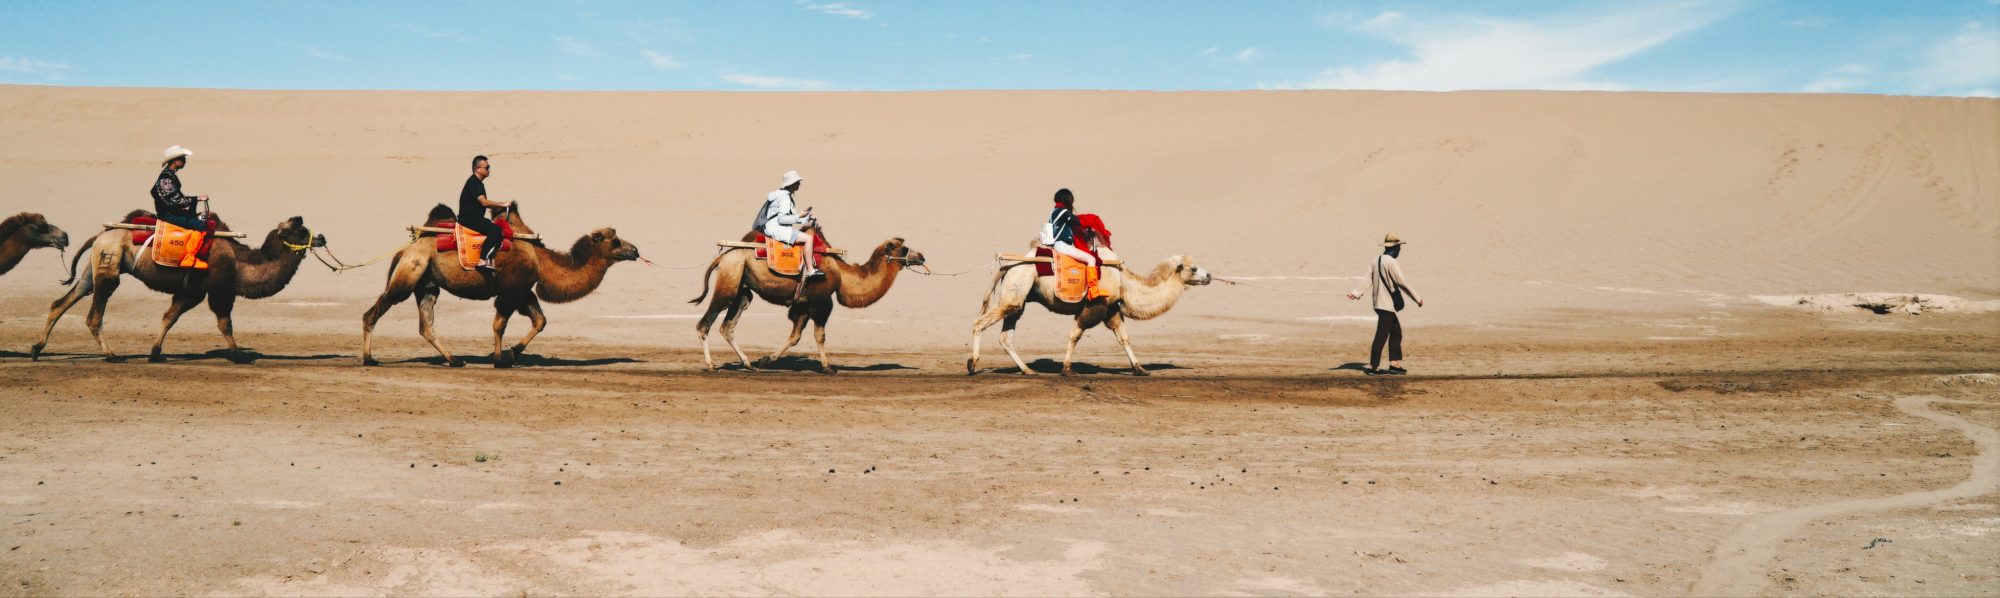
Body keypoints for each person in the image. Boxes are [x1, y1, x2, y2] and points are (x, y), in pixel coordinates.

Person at [1348, 234, 1424, 375]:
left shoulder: (1375, 260)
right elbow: (1402, 282)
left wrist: (1356, 292)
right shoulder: (1391, 262)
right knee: (1381, 335)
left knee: (1396, 332)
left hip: (1379, 304)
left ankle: (1394, 364)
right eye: (1399, 247)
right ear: (1394, 248)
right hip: (1386, 305)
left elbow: (1367, 279)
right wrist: (1417, 298)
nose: (1400, 249)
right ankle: (1374, 367)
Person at [1039, 188, 1101, 298]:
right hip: (1063, 246)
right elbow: (1080, 222)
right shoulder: (1063, 212)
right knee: (1091, 259)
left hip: (1057, 245)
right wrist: (1092, 224)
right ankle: (1093, 290)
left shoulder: (1054, 212)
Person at [759, 170, 821, 279]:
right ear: (791, 184)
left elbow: (789, 218)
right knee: (808, 239)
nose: (799, 184)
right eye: (797, 182)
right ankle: (811, 270)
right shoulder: (785, 198)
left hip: (772, 227)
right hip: (777, 229)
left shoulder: (782, 195)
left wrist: (806, 218)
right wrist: (799, 215)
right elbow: (782, 219)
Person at [458, 155, 512, 270]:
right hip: (469, 219)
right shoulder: (474, 183)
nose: (489, 170)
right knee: (496, 230)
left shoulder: (476, 183)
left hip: (473, 218)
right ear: (477, 169)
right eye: (486, 167)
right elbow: (484, 202)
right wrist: (502, 204)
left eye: (489, 167)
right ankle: (482, 261)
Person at [152, 145, 209, 230]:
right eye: (182, 159)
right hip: (167, 216)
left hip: (171, 213)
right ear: (175, 161)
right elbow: (176, 201)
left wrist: (195, 199)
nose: (185, 161)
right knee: (200, 225)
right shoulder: (166, 178)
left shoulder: (169, 175)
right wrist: (197, 198)